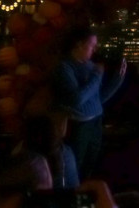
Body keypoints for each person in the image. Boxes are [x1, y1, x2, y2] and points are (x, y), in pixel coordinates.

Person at [53, 25, 127, 177]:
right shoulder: (65, 67)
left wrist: (117, 80)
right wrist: (96, 76)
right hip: (79, 125)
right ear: (79, 44)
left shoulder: (90, 66)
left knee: (91, 165)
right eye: (91, 45)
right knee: (76, 166)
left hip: (96, 122)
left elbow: (97, 99)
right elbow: (76, 100)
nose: (94, 49)